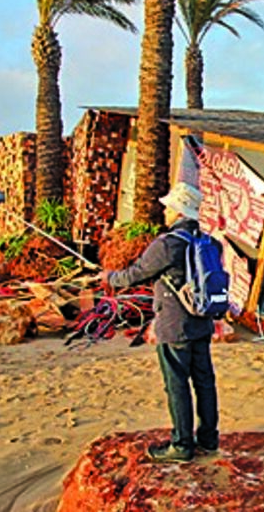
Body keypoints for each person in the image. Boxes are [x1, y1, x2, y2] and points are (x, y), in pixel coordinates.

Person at [100, 182, 219, 463]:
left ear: (178, 211)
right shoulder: (209, 242)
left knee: (177, 383)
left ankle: (181, 445)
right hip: (202, 321)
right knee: (204, 381)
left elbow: (137, 273)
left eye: (168, 207)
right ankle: (209, 438)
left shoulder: (168, 244)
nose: (164, 211)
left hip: (175, 325)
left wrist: (110, 278)